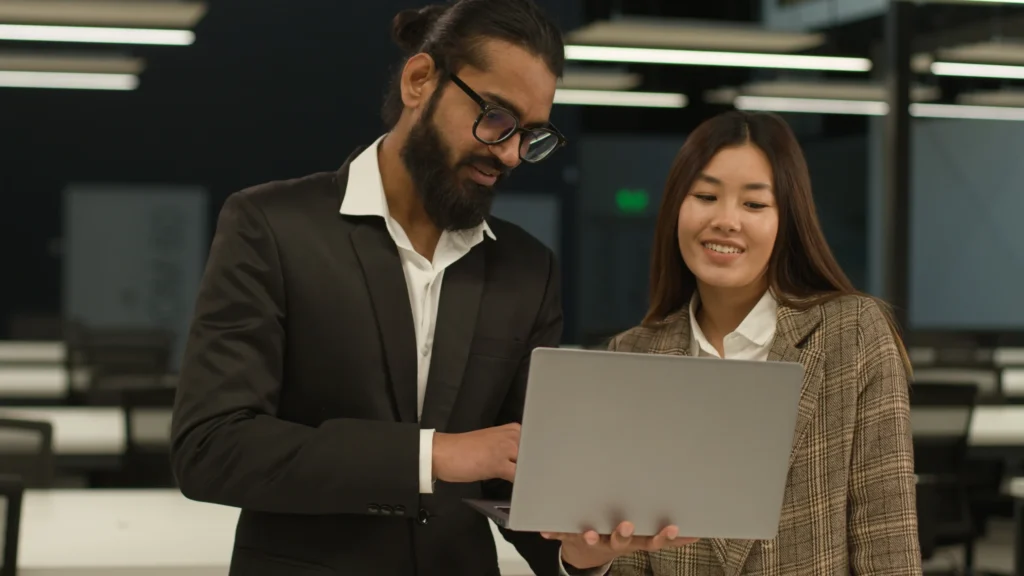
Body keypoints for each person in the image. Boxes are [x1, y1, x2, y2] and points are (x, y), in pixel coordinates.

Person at [166, 1, 656, 574]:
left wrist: (576, 553)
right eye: (496, 117)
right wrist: (431, 454)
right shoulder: (271, 226)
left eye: (532, 135)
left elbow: (518, 474)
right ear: (420, 80)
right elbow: (212, 448)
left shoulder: (527, 269)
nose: (508, 153)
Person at [545, 111, 922, 575]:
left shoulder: (853, 333)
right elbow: (626, 557)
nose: (725, 221)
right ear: (676, 209)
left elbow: (888, 545)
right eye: (705, 196)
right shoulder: (633, 354)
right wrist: (583, 563)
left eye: (754, 205)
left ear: (788, 220)